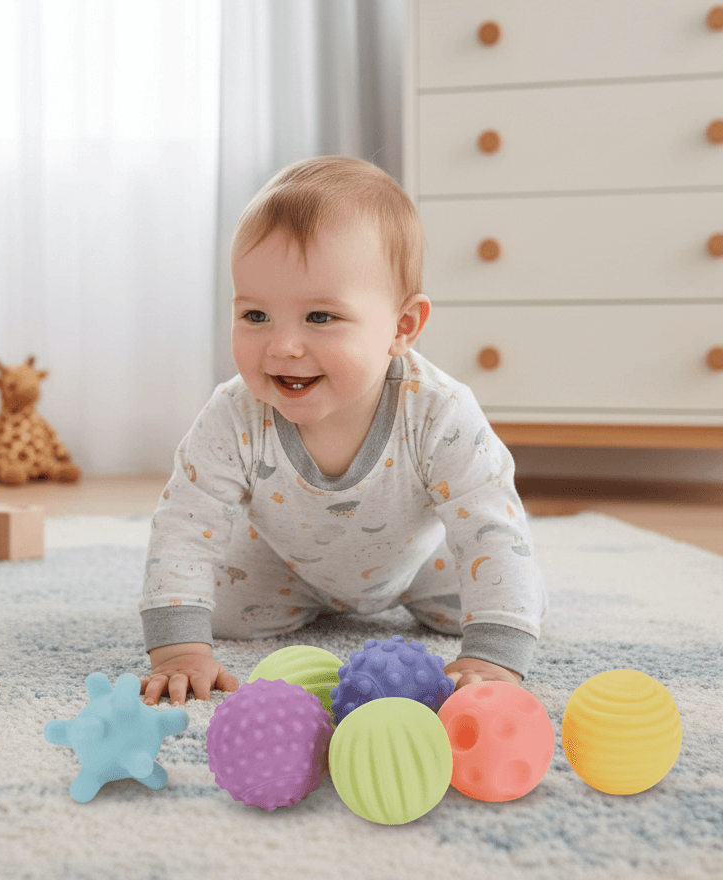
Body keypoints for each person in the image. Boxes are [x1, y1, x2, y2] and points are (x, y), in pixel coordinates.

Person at [138, 155, 548, 707]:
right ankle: (284, 604)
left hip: (422, 564)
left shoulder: (439, 413)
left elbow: (489, 524)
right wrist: (179, 651)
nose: (283, 346)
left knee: (506, 593)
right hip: (284, 565)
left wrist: (493, 658)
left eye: (320, 317)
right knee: (215, 611)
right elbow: (186, 523)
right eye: (256, 316)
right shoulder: (234, 413)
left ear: (402, 326)